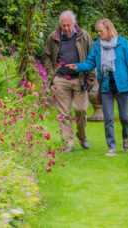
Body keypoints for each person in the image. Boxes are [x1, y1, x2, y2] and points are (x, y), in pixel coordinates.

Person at [66, 18, 128, 156]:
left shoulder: (122, 43)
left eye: (101, 30)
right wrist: (77, 67)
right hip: (106, 85)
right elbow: (89, 63)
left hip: (123, 84)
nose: (99, 33)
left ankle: (125, 138)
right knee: (108, 118)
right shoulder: (97, 46)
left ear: (108, 29)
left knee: (124, 117)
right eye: (97, 31)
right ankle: (111, 147)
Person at [43, 10, 96, 152]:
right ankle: (68, 143)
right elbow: (47, 56)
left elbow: (92, 56)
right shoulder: (53, 38)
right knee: (64, 113)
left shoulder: (84, 36)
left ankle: (82, 136)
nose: (66, 28)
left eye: (68, 25)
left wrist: (90, 77)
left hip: (79, 78)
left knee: (81, 109)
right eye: (63, 25)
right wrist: (51, 75)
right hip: (60, 80)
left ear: (74, 23)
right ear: (60, 25)